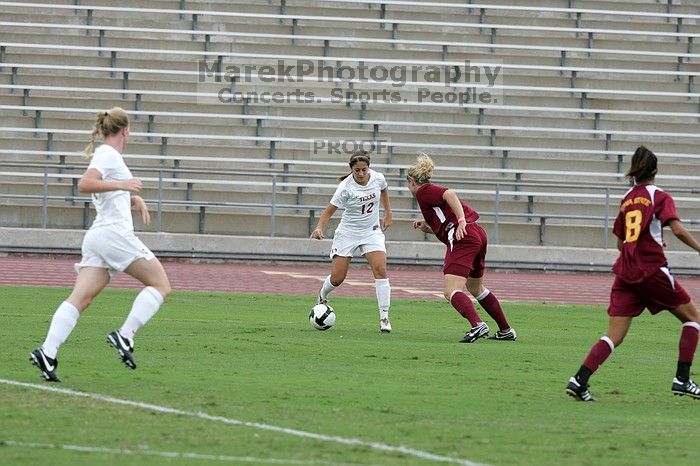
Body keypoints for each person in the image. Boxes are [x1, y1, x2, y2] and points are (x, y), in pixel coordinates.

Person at [29, 107, 171, 382]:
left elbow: (107, 193)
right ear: (125, 131)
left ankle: (47, 352)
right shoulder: (108, 154)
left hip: (98, 237)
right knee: (161, 284)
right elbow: (85, 184)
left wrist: (132, 199)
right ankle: (125, 335)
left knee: (81, 299)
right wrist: (124, 184)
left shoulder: (106, 155)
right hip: (113, 235)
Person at [566, 146, 700, 401]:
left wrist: (648, 241)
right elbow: (679, 230)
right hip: (651, 270)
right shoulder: (659, 196)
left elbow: (621, 242)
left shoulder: (627, 198)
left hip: (626, 273)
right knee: (693, 319)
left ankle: (579, 379)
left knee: (614, 335)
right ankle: (682, 379)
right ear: (655, 171)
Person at [406, 153, 516, 343]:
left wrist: (461, 220)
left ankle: (477, 325)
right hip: (477, 234)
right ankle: (505, 330)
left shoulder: (423, 191)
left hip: (464, 237)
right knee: (476, 287)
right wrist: (427, 228)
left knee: (450, 291)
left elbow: (449, 194)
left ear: (411, 181)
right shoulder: (427, 198)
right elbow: (445, 225)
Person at [310, 150, 393, 332]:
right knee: (338, 278)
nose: (361, 174)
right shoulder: (345, 188)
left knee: (380, 270)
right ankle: (323, 294)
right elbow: (328, 211)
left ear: (368, 167)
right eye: (357, 170)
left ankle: (384, 318)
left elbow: (384, 190)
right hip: (348, 233)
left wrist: (388, 213)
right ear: (351, 170)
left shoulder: (378, 178)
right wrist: (319, 228)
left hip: (371, 232)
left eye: (364, 169)